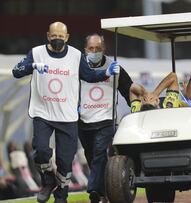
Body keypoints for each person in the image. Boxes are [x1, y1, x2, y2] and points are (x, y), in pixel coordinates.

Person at [12, 22, 119, 203]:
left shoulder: (76, 56)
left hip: (67, 116)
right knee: (40, 151)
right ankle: (48, 181)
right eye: (54, 36)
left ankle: (61, 195)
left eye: (61, 37)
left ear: (67, 37)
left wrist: (105, 73)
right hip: (43, 112)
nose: (57, 40)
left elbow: (89, 76)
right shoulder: (36, 53)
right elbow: (16, 72)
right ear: (48, 35)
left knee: (65, 160)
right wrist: (32, 66)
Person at [78, 33, 134, 203]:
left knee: (100, 153)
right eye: (91, 49)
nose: (95, 51)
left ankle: (94, 191)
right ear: (85, 50)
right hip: (83, 120)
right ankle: (104, 193)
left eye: (98, 48)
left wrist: (136, 106)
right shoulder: (77, 66)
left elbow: (129, 90)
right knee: (91, 156)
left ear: (104, 49)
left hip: (106, 120)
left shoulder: (114, 67)